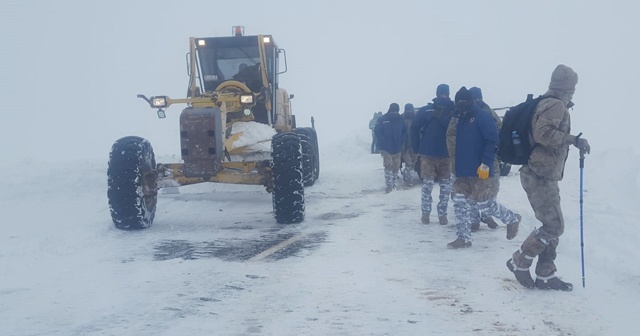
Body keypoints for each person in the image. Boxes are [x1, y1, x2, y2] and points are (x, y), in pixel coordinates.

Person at [507, 64, 590, 291]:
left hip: (543, 173)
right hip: (540, 174)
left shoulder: (548, 102)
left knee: (551, 222)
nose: (573, 91)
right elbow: (542, 134)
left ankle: (545, 274)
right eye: (573, 87)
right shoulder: (555, 105)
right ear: (568, 87)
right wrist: (574, 140)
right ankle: (519, 260)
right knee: (554, 226)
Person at [447, 87, 521, 249]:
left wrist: (486, 163)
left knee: (484, 204)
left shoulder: (482, 116)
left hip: (480, 168)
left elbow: (492, 140)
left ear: (471, 101)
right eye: (458, 102)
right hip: (462, 170)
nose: (460, 105)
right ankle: (464, 238)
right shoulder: (459, 118)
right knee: (459, 201)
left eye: (463, 101)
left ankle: (512, 218)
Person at [411, 84, 454, 225]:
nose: (443, 96)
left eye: (445, 94)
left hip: (446, 155)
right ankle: (426, 213)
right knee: (427, 186)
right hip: (428, 155)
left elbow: (455, 128)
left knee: (445, 188)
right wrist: (416, 147)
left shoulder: (453, 110)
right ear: (437, 94)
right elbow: (414, 128)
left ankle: (442, 214)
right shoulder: (426, 110)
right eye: (441, 94)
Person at [468, 86, 500, 231]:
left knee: (492, 187)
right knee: (473, 188)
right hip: (472, 156)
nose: (477, 101)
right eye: (474, 98)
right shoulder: (466, 113)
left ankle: (487, 215)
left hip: (490, 156)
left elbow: (500, 129)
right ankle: (474, 218)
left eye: (479, 98)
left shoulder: (489, 112)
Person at [374, 103, 407, 193]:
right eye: (393, 111)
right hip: (386, 148)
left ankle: (394, 184)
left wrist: (402, 140)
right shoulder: (382, 119)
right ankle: (389, 186)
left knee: (396, 166)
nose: (394, 113)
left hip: (397, 147)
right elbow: (377, 132)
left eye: (396, 111)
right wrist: (383, 141)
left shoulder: (401, 119)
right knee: (388, 165)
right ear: (390, 110)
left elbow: (404, 131)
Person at [401, 103, 418, 186]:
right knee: (409, 162)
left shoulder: (417, 118)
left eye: (410, 110)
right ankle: (409, 180)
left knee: (414, 163)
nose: (409, 112)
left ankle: (405, 173)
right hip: (405, 145)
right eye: (407, 110)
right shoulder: (401, 118)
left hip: (414, 144)